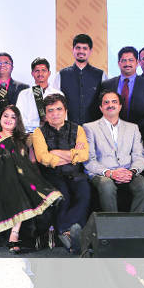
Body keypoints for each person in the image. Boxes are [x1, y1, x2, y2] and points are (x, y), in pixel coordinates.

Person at [0, 105, 62, 253]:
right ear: (0, 118)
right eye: (5, 116)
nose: (8, 119)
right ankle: (45, 194)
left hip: (19, 176)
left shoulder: (25, 139)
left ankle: (14, 233)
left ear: (18, 121)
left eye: (13, 117)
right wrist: (9, 159)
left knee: (18, 176)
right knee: (11, 162)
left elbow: (31, 162)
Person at [32, 94, 91, 252]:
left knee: (84, 193)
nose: (55, 114)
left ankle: (67, 232)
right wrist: (72, 155)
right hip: (51, 175)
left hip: (76, 174)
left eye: (59, 109)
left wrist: (55, 152)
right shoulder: (39, 132)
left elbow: (84, 155)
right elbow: (43, 158)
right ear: (45, 114)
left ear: (65, 111)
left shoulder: (78, 129)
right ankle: (69, 233)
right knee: (63, 196)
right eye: (50, 110)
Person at [83, 91, 144, 213]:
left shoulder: (133, 128)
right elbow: (89, 159)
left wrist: (132, 172)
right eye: (106, 102)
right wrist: (109, 173)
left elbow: (139, 156)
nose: (110, 105)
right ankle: (113, 223)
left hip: (128, 172)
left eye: (114, 102)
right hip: (102, 173)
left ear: (120, 106)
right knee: (106, 185)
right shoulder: (89, 127)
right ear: (101, 107)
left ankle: (133, 222)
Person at [101, 46, 144, 143]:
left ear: (137, 62)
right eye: (124, 60)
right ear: (119, 63)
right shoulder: (107, 84)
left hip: (140, 135)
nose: (127, 64)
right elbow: (101, 109)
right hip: (111, 135)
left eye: (131, 60)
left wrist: (134, 128)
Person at [52, 34, 107, 125]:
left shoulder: (101, 75)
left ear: (90, 51)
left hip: (95, 128)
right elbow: (54, 103)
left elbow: (105, 103)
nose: (81, 51)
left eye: (85, 48)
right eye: (78, 48)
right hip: (68, 128)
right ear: (73, 50)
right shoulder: (61, 75)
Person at [16, 57, 63, 134]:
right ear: (32, 73)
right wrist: (39, 123)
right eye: (37, 71)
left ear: (49, 73)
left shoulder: (58, 94)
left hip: (54, 134)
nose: (40, 74)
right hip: (30, 135)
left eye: (43, 70)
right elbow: (19, 120)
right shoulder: (23, 94)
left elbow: (63, 119)